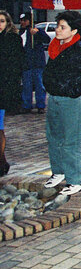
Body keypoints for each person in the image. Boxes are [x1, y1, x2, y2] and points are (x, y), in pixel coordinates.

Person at [42, 10, 81, 196]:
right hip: (55, 97)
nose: (57, 30)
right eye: (58, 26)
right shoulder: (55, 46)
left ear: (73, 31)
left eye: (62, 27)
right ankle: (58, 172)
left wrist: (72, 90)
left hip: (71, 100)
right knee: (54, 137)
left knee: (71, 140)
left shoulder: (78, 51)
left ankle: (75, 180)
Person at [0, 10, 24, 176]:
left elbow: (16, 65)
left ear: (8, 23)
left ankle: (1, 161)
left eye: (1, 21)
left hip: (4, 88)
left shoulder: (13, 39)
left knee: (0, 127)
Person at [19, 12, 48, 114]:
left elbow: (47, 39)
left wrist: (38, 33)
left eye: (24, 20)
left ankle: (40, 105)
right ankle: (27, 105)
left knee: (39, 85)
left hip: (37, 63)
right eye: (21, 20)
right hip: (26, 64)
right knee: (27, 85)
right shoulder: (20, 32)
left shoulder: (37, 31)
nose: (22, 22)